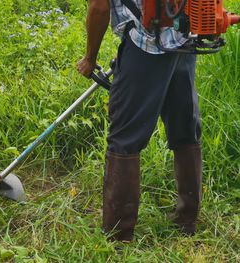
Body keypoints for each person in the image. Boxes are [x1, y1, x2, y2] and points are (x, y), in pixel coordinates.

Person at [77, 0, 202, 242]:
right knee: (185, 127)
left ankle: (118, 235)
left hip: (147, 46)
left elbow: (99, 7)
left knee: (124, 140)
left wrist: (90, 58)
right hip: (185, 40)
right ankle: (187, 219)